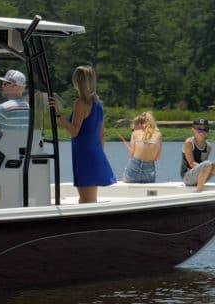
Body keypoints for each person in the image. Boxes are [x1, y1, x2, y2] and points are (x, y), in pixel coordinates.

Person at [50, 65, 116, 203]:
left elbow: (74, 132)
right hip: (95, 153)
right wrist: (98, 156)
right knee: (87, 199)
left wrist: (57, 114)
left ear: (76, 81)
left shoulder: (81, 103)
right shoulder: (98, 103)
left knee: (87, 201)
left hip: (85, 155)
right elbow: (102, 134)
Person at [123, 111, 162, 183]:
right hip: (149, 171)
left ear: (141, 123)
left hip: (134, 167)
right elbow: (157, 158)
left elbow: (131, 155)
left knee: (124, 178)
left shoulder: (135, 133)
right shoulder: (158, 135)